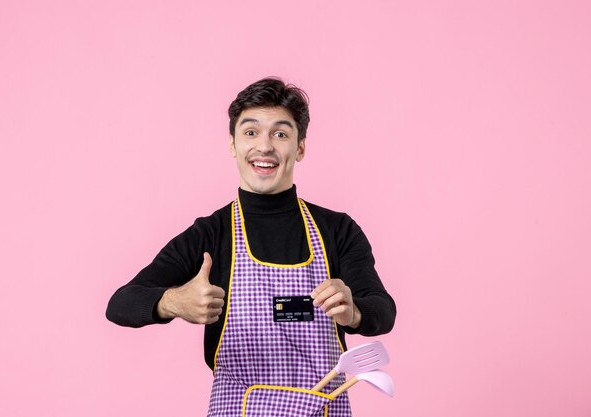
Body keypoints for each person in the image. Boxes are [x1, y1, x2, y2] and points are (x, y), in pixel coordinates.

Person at [106, 77, 396, 416]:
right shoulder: (211, 235)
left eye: (280, 134)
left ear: (300, 147)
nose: (265, 147)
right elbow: (119, 303)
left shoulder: (337, 230)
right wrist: (173, 302)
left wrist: (354, 311)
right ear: (232, 144)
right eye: (250, 132)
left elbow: (383, 310)